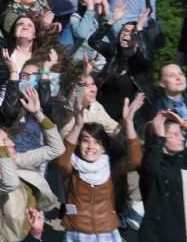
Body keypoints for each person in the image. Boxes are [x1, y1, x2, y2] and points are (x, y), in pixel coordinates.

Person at [0, 89, 62, 242]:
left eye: (7, 139)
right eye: (5, 142)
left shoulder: (15, 160)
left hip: (32, 233)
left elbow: (57, 149)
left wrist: (38, 113)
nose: (12, 143)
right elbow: (10, 183)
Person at [57, 92, 144, 242]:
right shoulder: (72, 168)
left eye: (97, 142)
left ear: (104, 147)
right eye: (86, 141)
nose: (91, 146)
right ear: (79, 144)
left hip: (107, 230)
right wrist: (78, 125)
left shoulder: (111, 169)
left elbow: (135, 161)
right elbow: (61, 161)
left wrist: (128, 122)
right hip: (77, 231)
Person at [139, 111, 187, 242]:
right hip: (169, 235)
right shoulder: (154, 163)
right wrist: (159, 138)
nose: (182, 138)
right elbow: (151, 169)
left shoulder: (185, 157)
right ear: (161, 137)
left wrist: (186, 125)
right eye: (175, 134)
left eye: (181, 133)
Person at [88, 2, 154, 121]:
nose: (126, 34)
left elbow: (147, 55)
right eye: (124, 31)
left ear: (138, 39)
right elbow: (93, 41)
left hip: (129, 117)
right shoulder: (114, 52)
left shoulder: (142, 61)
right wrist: (113, 20)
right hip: (104, 112)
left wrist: (139, 28)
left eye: (131, 32)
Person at [69, 0, 118, 69]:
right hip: (80, 64)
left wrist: (108, 14)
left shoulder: (108, 16)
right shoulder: (76, 17)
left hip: (103, 66)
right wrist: (90, 8)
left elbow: (118, 36)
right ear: (83, 2)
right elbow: (82, 34)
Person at [151, 63, 187, 144]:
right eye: (171, 75)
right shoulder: (159, 109)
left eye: (181, 74)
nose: (178, 78)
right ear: (161, 83)